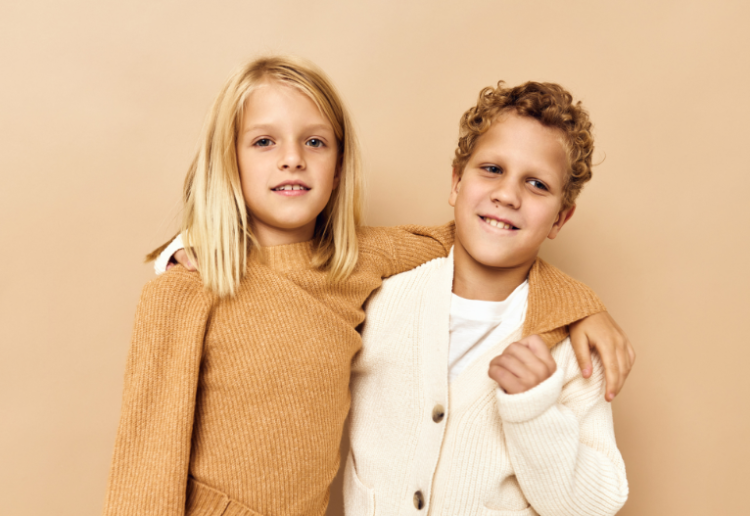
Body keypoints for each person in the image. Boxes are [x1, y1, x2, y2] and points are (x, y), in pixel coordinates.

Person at [106, 56, 630, 516]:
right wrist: (189, 244)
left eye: (315, 142)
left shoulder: (356, 264)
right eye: (264, 141)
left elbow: (470, 238)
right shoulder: (190, 286)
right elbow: (146, 462)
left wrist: (583, 306)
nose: (292, 158)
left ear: (338, 167)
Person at [345, 81, 629, 515]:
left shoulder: (573, 347)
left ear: (560, 218)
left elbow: (595, 505)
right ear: (456, 183)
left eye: (537, 184)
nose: (507, 195)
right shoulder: (381, 299)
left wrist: (535, 410)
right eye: (492, 169)